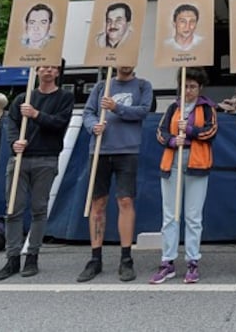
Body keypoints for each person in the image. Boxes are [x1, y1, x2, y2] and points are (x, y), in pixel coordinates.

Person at [0, 65, 74, 281]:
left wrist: (36, 114)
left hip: (46, 158)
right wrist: (14, 142)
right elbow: (12, 125)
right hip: (20, 158)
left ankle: (32, 256)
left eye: (52, 68)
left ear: (57, 73)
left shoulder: (65, 97)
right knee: (13, 210)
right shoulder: (22, 97)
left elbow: (59, 124)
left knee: (39, 209)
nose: (47, 71)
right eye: (43, 67)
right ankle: (12, 258)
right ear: (36, 71)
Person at [78, 66, 153, 282]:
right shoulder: (102, 85)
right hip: (100, 150)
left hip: (127, 150)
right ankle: (95, 258)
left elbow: (142, 111)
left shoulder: (143, 85)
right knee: (97, 203)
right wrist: (93, 127)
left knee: (126, 201)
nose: (125, 63)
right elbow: (88, 112)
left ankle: (126, 258)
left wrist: (116, 107)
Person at [150, 67, 217, 284]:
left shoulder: (207, 108)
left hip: (197, 164)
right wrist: (171, 140)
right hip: (172, 164)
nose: (187, 91)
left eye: (192, 87)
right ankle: (167, 261)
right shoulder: (173, 107)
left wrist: (188, 131)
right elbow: (160, 132)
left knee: (193, 216)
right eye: (184, 86)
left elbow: (211, 131)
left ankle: (192, 261)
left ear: (200, 88)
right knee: (170, 215)